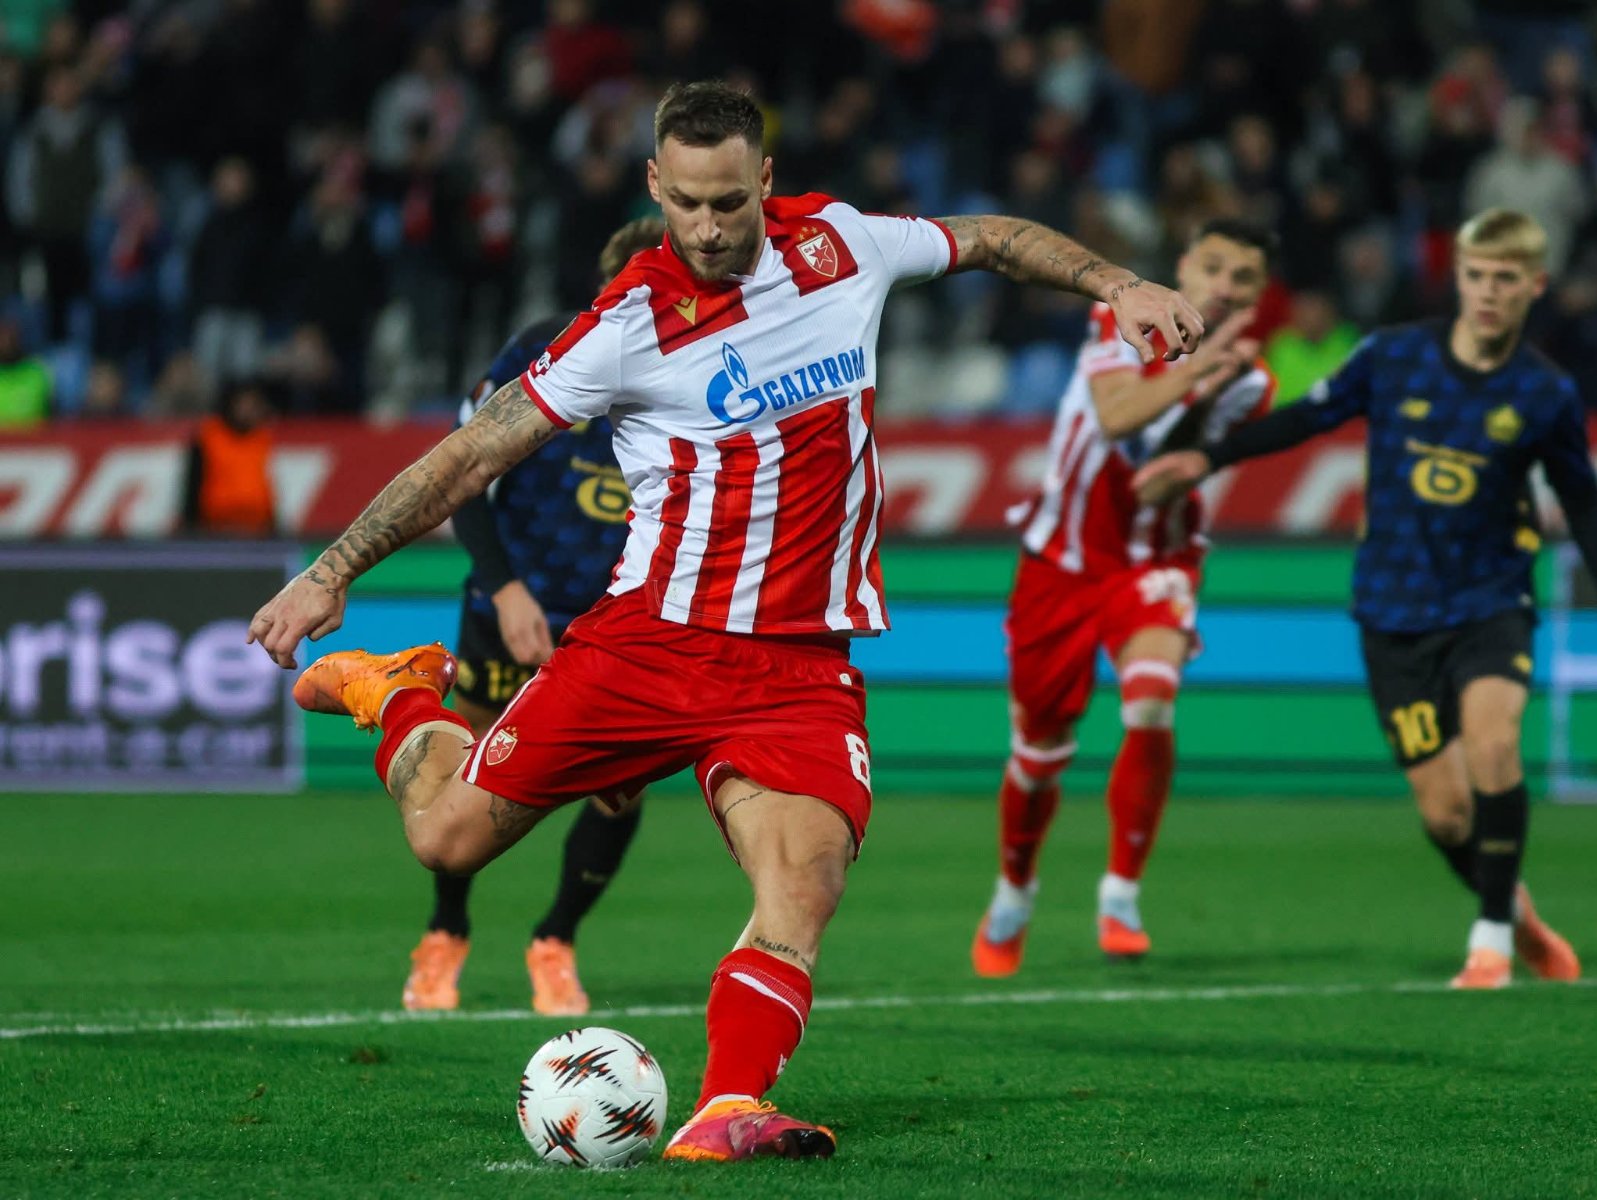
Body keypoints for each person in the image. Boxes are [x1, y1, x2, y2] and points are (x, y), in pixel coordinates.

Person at [248, 81, 1202, 1162]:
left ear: (764, 181)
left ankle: (725, 1106)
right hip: (649, 646)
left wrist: (1119, 284)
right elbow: (470, 455)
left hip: (797, 666)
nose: (706, 229)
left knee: (804, 880)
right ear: (656, 185)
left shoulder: (841, 245)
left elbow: (987, 238)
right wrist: (331, 571)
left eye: (729, 204)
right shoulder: (627, 324)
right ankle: (395, 691)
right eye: (687, 204)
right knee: (446, 838)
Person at [1135, 208, 1591, 990]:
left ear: (1535, 285)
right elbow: (1308, 418)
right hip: (1393, 609)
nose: (1489, 292)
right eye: (1477, 276)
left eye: (1506, 279)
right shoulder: (1395, 356)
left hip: (1491, 601)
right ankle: (1516, 915)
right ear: (1458, 277)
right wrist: (1209, 458)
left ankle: (1488, 941)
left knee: (1494, 746)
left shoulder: (1545, 393)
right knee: (1445, 814)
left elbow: (1582, 503)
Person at [971, 218, 1276, 977]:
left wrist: (1211, 390)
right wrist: (1198, 372)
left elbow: (1160, 478)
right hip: (1059, 561)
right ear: (1185, 266)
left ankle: (1121, 894)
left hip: (1154, 557)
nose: (1224, 288)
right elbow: (1114, 416)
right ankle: (1014, 891)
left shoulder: (1252, 384)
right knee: (1040, 752)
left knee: (1151, 700)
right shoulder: (1119, 316)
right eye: (1213, 267)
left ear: (1258, 295)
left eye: (1242, 278)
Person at [404, 215, 666, 1017]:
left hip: (616, 626)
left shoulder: (697, 367)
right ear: (606, 289)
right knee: (467, 774)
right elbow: (460, 472)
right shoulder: (545, 350)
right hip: (509, 605)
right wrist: (505, 587)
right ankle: (445, 933)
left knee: (621, 789)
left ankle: (555, 941)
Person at [182, 379, 276, 536]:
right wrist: (191, 524)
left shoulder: (262, 438)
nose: (248, 410)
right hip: (215, 528)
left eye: (253, 404)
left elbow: (267, 484)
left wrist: (273, 522)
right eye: (243, 403)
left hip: (258, 529)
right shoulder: (208, 436)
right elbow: (194, 482)